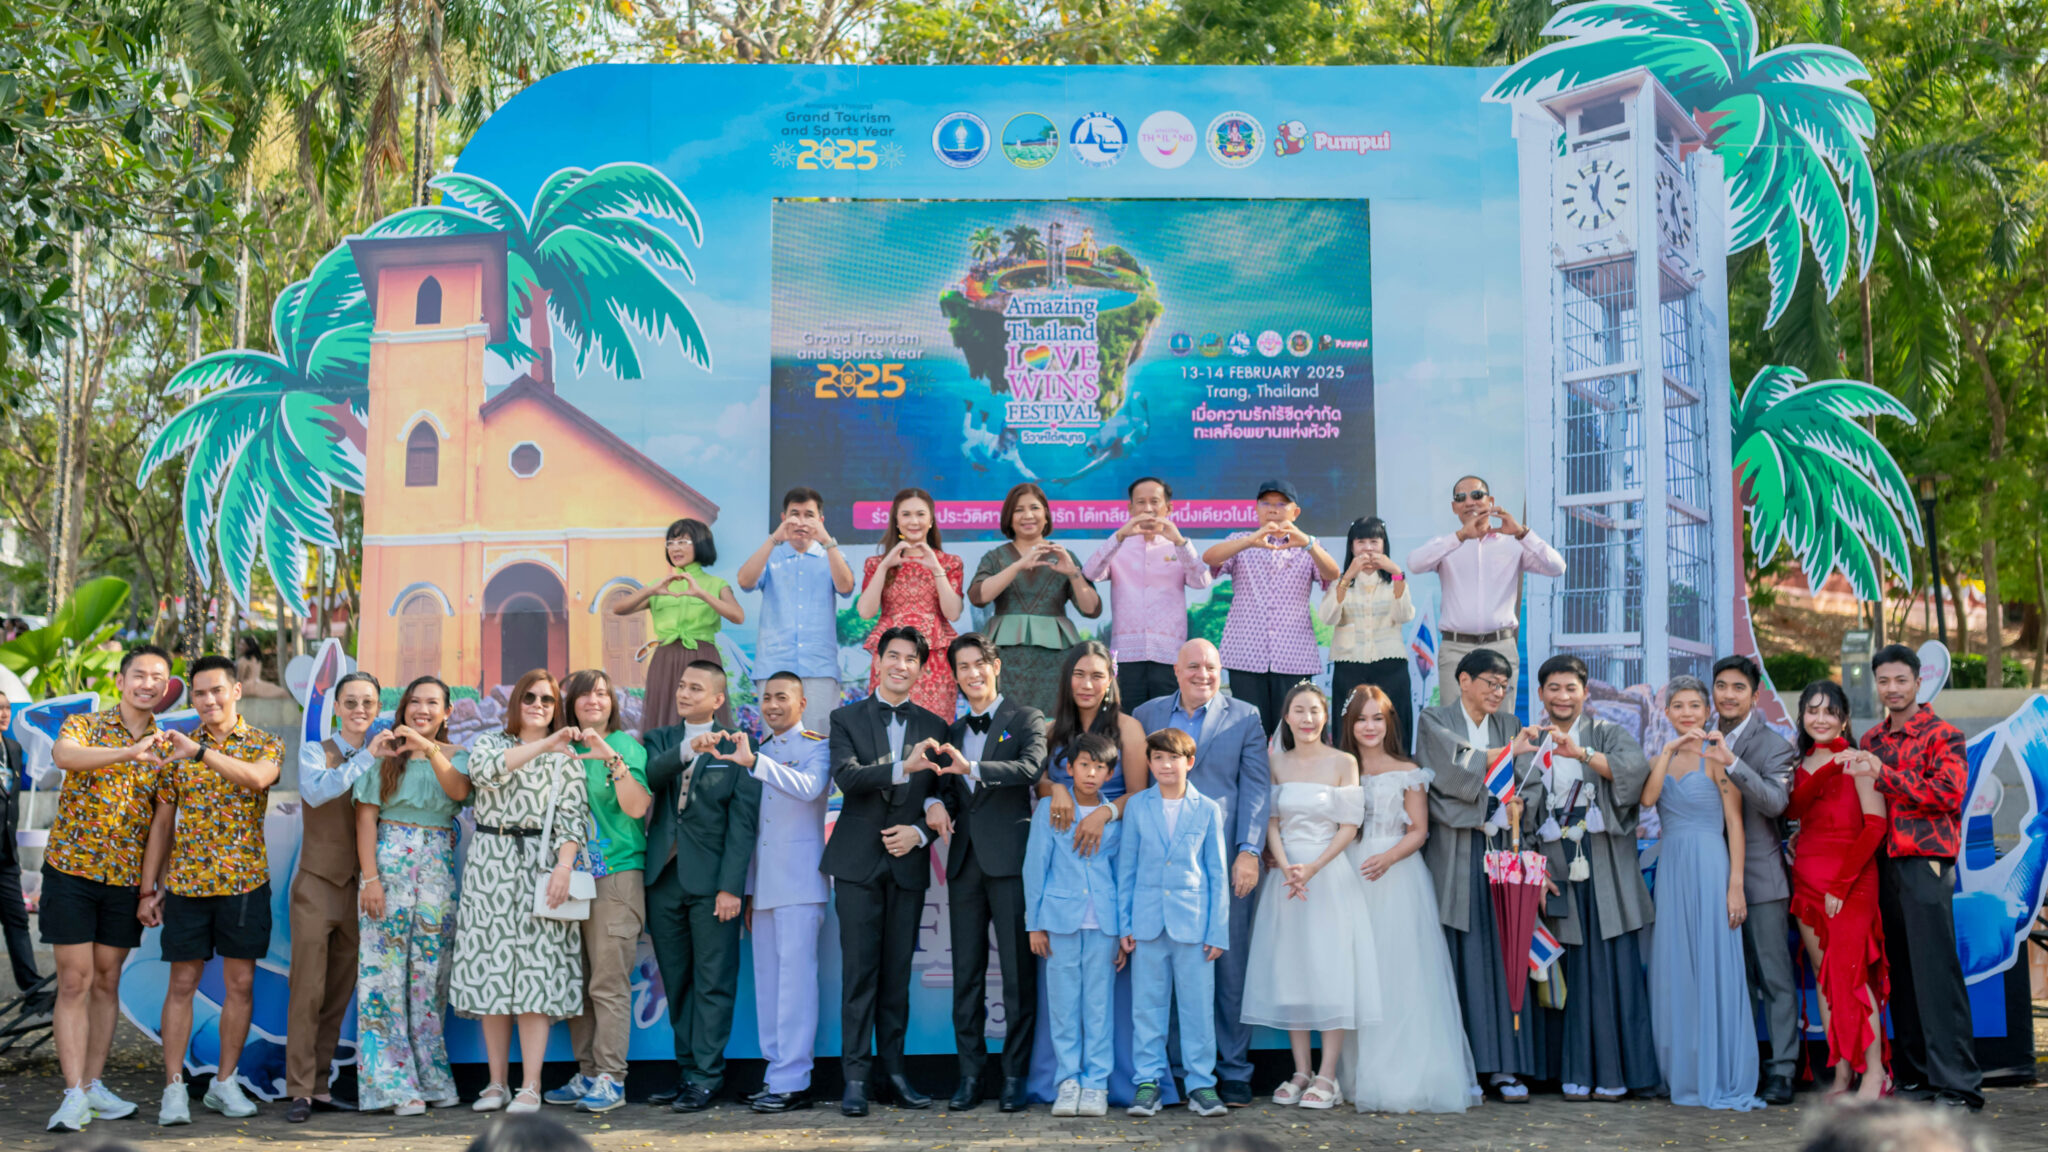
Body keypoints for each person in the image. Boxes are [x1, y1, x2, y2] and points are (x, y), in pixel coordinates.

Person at [138, 653, 285, 1124]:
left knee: (240, 984)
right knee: (182, 983)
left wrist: (200, 752)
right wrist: (148, 888)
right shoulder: (174, 751)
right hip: (187, 886)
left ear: (236, 691)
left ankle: (224, 1082)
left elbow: (259, 778)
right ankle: (174, 1088)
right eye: (199, 693)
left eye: (216, 690)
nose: (207, 700)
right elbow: (162, 823)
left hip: (245, 884)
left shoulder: (264, 743)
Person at [1130, 639, 1270, 1106]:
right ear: (1176, 670)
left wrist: (1249, 850)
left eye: (1210, 667)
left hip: (1226, 860)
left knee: (1227, 968)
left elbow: (1255, 786)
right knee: (1165, 974)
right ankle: (1170, 1075)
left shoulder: (1245, 715)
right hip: (1163, 865)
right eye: (1193, 666)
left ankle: (1231, 1070)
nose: (1202, 674)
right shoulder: (1147, 714)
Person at [450, 669, 595, 1116]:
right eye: (530, 697)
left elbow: (573, 817)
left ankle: (530, 1085)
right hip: (490, 864)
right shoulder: (492, 743)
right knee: (493, 977)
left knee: (536, 977)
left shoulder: (567, 759)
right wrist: (548, 744)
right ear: (516, 702)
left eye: (548, 700)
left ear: (557, 708)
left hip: (541, 867)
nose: (538, 705)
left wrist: (564, 867)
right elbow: (486, 773)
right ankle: (495, 1083)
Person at [44, 645, 174, 1133]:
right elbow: (65, 757)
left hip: (123, 881)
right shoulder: (86, 726)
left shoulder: (167, 745)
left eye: (157, 678)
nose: (147, 684)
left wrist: (148, 889)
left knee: (106, 981)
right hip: (72, 871)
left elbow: (162, 823)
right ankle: (72, 1092)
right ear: (121, 681)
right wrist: (129, 752)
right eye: (138, 675)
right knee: (74, 980)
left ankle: (94, 1084)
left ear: (165, 688)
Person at [821, 625, 950, 1116]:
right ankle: (855, 1078)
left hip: (908, 862)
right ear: (878, 662)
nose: (900, 665)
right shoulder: (845, 717)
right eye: (892, 656)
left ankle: (895, 1073)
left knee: (897, 976)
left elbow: (948, 794)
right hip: (856, 863)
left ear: (921, 667)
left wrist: (920, 832)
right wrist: (905, 766)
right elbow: (849, 777)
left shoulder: (937, 724)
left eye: (910, 659)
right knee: (859, 976)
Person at [1524, 654, 1660, 1102]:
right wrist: (1534, 868)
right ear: (1542, 693)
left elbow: (1634, 775)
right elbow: (1517, 810)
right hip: (1556, 865)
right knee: (1568, 968)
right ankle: (1572, 1070)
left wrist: (1580, 753)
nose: (1563, 696)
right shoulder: (1529, 742)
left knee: (1613, 967)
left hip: (1603, 861)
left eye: (1571, 688)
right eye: (1554, 688)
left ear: (1585, 692)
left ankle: (1620, 1073)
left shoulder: (1607, 734)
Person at [1337, 684, 1476, 1113]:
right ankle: (1356, 1075)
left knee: (1400, 973)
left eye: (1377, 717)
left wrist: (1387, 857)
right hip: (1348, 874)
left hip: (1396, 876)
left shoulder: (1408, 770)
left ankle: (1406, 1075)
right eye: (1361, 718)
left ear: (1390, 722)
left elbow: (1419, 830)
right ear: (1349, 724)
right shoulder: (1340, 767)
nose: (1369, 726)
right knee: (1357, 975)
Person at [1239, 683, 1376, 1111]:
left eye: (1314, 711)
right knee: (1292, 971)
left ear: (1325, 716)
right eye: (1298, 711)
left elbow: (1349, 826)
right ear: (1287, 716)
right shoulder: (1275, 761)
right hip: (1285, 880)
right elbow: (1271, 821)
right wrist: (1285, 865)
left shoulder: (1344, 762)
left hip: (1329, 875)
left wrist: (1313, 869)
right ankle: (1300, 1070)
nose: (1307, 719)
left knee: (1331, 971)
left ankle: (1328, 1074)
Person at [1414, 648, 1542, 1102]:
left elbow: (1531, 781)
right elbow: (1443, 779)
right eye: (1489, 682)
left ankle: (1505, 1068)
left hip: (1504, 853)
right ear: (1463, 680)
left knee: (1503, 954)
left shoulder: (1510, 725)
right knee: (1457, 957)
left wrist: (1519, 806)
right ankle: (1459, 1063)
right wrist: (1486, 805)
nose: (1497, 692)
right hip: (1456, 851)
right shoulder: (1435, 720)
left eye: (1503, 686)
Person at [929, 633, 1049, 1113]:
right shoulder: (952, 731)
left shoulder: (1026, 718)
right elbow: (951, 791)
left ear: (995, 666)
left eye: (980, 664)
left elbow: (1029, 768)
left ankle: (1015, 1075)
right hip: (963, 864)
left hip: (1011, 861)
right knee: (967, 975)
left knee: (1019, 974)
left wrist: (973, 766)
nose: (972, 674)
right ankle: (970, 1075)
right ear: (955, 675)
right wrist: (935, 801)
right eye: (963, 667)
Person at [1857, 643, 1980, 1110]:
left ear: (1917, 681)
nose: (1892, 689)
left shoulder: (1943, 735)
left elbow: (1947, 794)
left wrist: (1884, 774)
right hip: (1882, 866)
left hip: (1925, 862)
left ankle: (1959, 1086)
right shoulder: (1870, 741)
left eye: (1900, 680)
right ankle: (1917, 1077)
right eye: (1884, 681)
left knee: (1936, 977)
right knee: (1902, 976)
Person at [636, 661, 761, 1112]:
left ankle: (707, 1078)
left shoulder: (740, 746)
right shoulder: (659, 740)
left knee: (714, 982)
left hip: (713, 887)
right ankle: (688, 1072)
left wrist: (732, 887)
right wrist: (689, 748)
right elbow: (649, 777)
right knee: (678, 982)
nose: (684, 693)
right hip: (663, 880)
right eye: (682, 685)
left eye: (696, 688)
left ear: (718, 699)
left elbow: (743, 825)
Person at [1642, 676, 1762, 1110]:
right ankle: (1684, 1071)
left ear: (1706, 709)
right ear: (1667, 712)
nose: (1687, 713)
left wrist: (1735, 887)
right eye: (1678, 706)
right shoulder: (1662, 756)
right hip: (1673, 867)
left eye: (1695, 705)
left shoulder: (1717, 759)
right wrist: (1670, 751)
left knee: (1714, 964)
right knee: (1677, 964)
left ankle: (1721, 1070)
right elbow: (1648, 798)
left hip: (1711, 865)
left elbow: (1735, 824)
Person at [353, 675, 471, 1115]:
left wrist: (430, 746)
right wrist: (371, 880)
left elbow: (459, 792)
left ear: (447, 712)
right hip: (389, 867)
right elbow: (365, 820)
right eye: (414, 702)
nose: (422, 710)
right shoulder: (383, 754)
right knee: (383, 981)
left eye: (433, 703)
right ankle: (394, 1086)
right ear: (402, 708)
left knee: (428, 981)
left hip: (438, 873)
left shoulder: (456, 756)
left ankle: (432, 1077)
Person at [545, 671, 652, 1114]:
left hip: (615, 876)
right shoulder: (558, 748)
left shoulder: (627, 747)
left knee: (607, 983)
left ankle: (611, 1077)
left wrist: (609, 757)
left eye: (603, 693)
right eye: (585, 693)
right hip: (565, 881)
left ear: (613, 702)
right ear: (571, 702)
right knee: (578, 983)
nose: (594, 700)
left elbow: (637, 807)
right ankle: (588, 1072)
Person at [1119, 727, 1231, 1120]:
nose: (1166, 765)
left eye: (1174, 758)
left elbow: (1217, 874)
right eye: (1159, 758)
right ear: (1149, 763)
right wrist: (1124, 925)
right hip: (1148, 925)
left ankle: (1201, 1085)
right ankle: (1147, 1084)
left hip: (1195, 927)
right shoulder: (1137, 807)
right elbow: (1126, 869)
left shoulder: (1207, 809)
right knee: (1147, 1009)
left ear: (1190, 762)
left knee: (1198, 1009)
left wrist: (1217, 929)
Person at [284, 670, 379, 1123]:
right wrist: (363, 761)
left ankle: (320, 1086)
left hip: (361, 891)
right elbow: (317, 793)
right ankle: (299, 1088)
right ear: (336, 707)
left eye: (369, 703)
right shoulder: (313, 752)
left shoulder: (385, 757)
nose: (360, 710)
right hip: (317, 884)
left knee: (339, 993)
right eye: (352, 702)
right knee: (307, 991)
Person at [1789, 680, 1889, 1101]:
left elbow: (1875, 827)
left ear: (1844, 718)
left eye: (1830, 712)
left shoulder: (1861, 761)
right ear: (1803, 717)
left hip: (1850, 881)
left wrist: (1842, 884)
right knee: (1826, 981)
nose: (1821, 719)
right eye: (1813, 711)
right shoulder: (1801, 763)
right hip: (1807, 880)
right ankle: (1844, 1074)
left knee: (1849, 976)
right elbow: (1793, 809)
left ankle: (1876, 1074)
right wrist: (1826, 768)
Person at [1711, 654, 1801, 1105]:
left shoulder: (1776, 746)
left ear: (1755, 694)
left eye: (1737, 688)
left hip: (1762, 882)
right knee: (1732, 978)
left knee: (1775, 979)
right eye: (1721, 686)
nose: (1728, 695)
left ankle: (1783, 1068)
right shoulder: (1698, 736)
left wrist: (1731, 761)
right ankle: (1740, 1063)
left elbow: (1775, 804)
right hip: (1710, 878)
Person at [743, 672, 833, 1114]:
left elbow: (811, 788)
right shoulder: (759, 751)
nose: (772, 705)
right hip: (763, 888)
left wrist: (757, 765)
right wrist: (745, 891)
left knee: (796, 986)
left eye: (782, 697)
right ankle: (775, 1073)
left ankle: (794, 1080)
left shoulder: (817, 745)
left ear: (801, 704)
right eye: (766, 698)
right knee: (770, 985)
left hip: (799, 883)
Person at [1024, 732, 1124, 1119]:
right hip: (1059, 923)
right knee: (1064, 1006)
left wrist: (1122, 930)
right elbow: (1035, 868)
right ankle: (1068, 1081)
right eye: (1084, 764)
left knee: (1099, 1007)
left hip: (1104, 925)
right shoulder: (1049, 810)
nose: (1091, 773)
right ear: (1069, 767)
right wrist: (1035, 924)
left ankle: (1096, 1083)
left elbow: (1123, 874)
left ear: (1110, 773)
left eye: (1100, 767)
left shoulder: (1114, 819)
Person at [1200, 480, 1339, 733]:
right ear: (1256, 509)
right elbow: (1209, 558)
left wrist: (1308, 543)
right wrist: (1250, 541)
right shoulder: (1240, 541)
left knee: (1292, 730)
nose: (1273, 509)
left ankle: (1290, 774)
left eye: (1281, 504)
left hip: (1294, 656)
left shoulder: (1308, 544)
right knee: (1249, 730)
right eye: (1266, 503)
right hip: (1245, 654)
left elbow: (1332, 573)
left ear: (1295, 512)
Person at [1404, 475, 1565, 694]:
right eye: (1461, 498)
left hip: (1500, 647)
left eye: (1477, 495)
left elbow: (1557, 567)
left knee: (1500, 724)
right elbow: (1414, 564)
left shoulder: (1513, 545)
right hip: (1455, 649)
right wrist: (1460, 536)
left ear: (1491, 501)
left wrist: (1522, 533)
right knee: (1454, 725)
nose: (1469, 502)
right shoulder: (1446, 545)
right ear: (1454, 507)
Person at [968, 484, 1102, 717]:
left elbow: (1091, 609)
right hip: (1005, 660)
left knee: (1052, 724)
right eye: (1019, 510)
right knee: (1006, 726)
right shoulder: (995, 557)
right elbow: (978, 597)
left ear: (1046, 515)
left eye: (1035, 508)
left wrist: (1073, 573)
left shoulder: (1064, 555)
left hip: (1055, 662)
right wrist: (1018, 566)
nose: (1028, 515)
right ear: (1009, 518)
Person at [1081, 477, 1212, 709]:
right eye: (1140, 502)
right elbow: (1090, 573)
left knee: (1167, 725)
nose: (1148, 508)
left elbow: (1202, 581)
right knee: (1127, 721)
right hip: (1126, 656)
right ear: (1131, 508)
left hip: (1169, 655)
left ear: (1168, 508)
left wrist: (1180, 541)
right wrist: (1120, 535)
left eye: (1155, 501)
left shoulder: (1178, 547)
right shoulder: (1118, 546)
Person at [736, 487, 856, 732]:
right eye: (795, 514)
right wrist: (773, 539)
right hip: (774, 666)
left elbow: (846, 587)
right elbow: (745, 582)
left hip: (819, 667)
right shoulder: (771, 555)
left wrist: (827, 541)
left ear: (820, 520)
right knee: (775, 743)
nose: (801, 522)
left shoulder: (831, 555)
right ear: (783, 518)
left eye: (809, 515)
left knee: (819, 741)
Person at [612, 518, 743, 732]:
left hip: (702, 656)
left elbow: (737, 616)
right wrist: (650, 590)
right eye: (670, 543)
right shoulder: (659, 585)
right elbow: (619, 608)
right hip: (666, 657)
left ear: (700, 544)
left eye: (682, 542)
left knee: (705, 718)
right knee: (665, 718)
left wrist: (701, 593)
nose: (675, 548)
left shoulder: (716, 584)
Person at [856, 488, 965, 717]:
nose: (913, 521)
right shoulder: (876, 563)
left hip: (935, 659)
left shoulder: (949, 562)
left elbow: (953, 613)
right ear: (896, 520)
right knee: (886, 723)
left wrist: (936, 567)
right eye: (906, 514)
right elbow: (866, 612)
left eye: (920, 514)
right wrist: (885, 565)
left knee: (934, 727)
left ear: (931, 520)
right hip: (891, 656)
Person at [1038, 640, 1150, 849]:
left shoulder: (1129, 728)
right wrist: (1057, 789)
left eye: (1097, 676)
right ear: (1067, 679)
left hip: (1111, 840)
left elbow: (1139, 795)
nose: (1086, 685)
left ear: (1109, 681)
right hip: (1058, 840)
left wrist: (1104, 813)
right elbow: (1038, 783)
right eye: (1079, 674)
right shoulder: (1049, 730)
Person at [1319, 517, 1415, 742]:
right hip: (1349, 665)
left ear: (1384, 545)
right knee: (1349, 725)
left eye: (1374, 541)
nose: (1368, 549)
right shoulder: (1340, 582)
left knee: (1394, 725)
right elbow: (1328, 617)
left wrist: (1397, 575)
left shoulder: (1395, 581)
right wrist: (1347, 577)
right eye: (1361, 542)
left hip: (1391, 664)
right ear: (1351, 546)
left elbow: (1404, 615)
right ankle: (1351, 773)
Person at [0, 697, 41, 1001]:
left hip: (6, 856)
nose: (3, 714)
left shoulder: (12, 748)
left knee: (17, 919)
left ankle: (33, 989)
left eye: (5, 708)